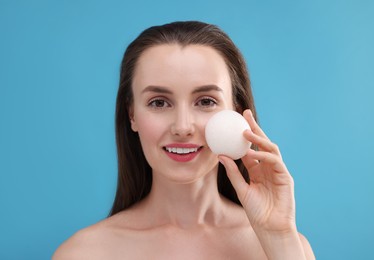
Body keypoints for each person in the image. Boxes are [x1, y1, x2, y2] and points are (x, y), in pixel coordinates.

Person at [53, 21, 315, 259]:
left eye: (205, 101)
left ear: (237, 112)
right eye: (158, 102)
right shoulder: (83, 253)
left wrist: (279, 238)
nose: (182, 127)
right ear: (131, 114)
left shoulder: (288, 246)